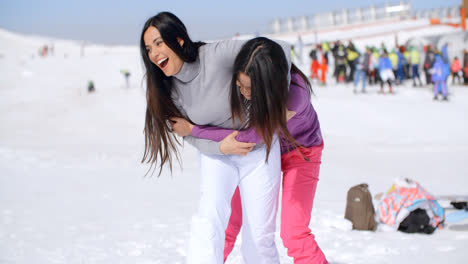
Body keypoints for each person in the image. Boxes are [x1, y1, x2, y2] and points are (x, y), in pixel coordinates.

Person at [140, 12, 291, 264]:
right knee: (209, 220)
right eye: (147, 48)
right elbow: (185, 132)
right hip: (217, 155)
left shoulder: (216, 55)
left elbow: (280, 51)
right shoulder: (165, 87)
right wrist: (221, 146)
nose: (154, 53)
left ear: (178, 40)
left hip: (258, 151)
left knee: (258, 235)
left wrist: (276, 101)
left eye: (158, 43)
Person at [173, 37, 328, 264]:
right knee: (229, 224)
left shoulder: (294, 96)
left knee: (293, 232)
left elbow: (248, 137)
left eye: (251, 88)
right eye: (241, 85)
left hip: (301, 153)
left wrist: (193, 130)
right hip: (264, 153)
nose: (245, 93)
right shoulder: (252, 75)